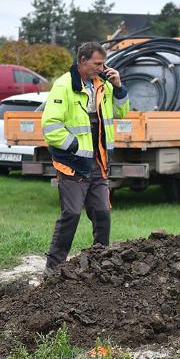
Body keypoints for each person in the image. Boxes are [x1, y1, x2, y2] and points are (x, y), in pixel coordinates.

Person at [43, 42, 130, 271]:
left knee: (102, 214)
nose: (101, 68)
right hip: (72, 165)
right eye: (97, 63)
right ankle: (53, 269)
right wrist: (75, 149)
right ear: (82, 61)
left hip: (99, 165)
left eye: (103, 63)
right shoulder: (63, 86)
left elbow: (122, 112)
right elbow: (51, 127)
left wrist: (119, 87)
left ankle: (102, 265)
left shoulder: (105, 85)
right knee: (70, 215)